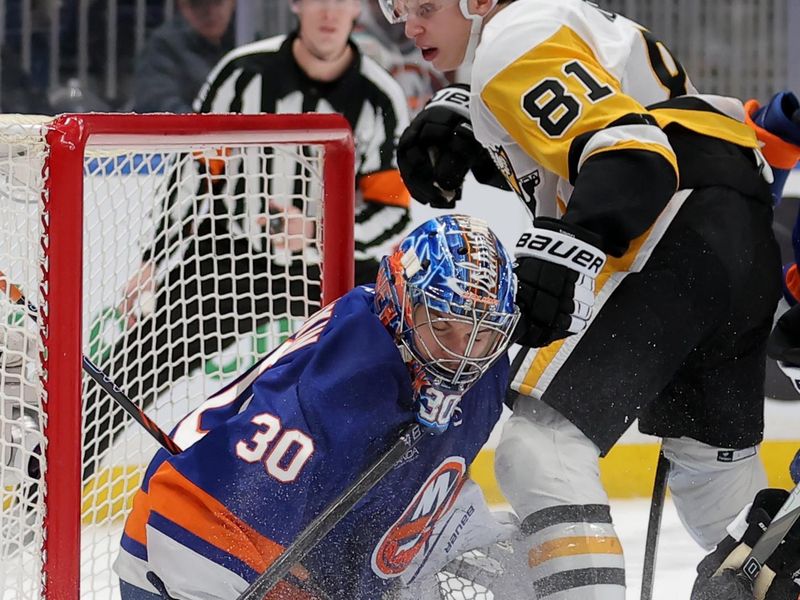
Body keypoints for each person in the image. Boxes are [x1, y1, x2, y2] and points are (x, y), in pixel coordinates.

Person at [378, 0, 784, 597]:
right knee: (712, 483)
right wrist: (472, 117)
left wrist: (571, 244)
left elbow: (633, 153)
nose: (410, 26)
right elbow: (609, 122)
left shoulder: (512, 33)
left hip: (673, 222)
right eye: (398, 11)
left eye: (426, 7)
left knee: (540, 443)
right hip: (736, 240)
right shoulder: (556, 22)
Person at [81, 0, 412, 482]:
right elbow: (195, 172)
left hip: (330, 270)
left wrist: (318, 231)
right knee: (138, 361)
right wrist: (155, 257)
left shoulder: (380, 96)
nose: (328, 13)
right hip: (234, 258)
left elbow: (393, 210)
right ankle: (48, 475)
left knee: (378, 378)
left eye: (342, 0)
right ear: (296, 5)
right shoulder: (241, 73)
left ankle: (378, 499)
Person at [113, 214, 520, 599]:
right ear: (399, 302)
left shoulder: (443, 359)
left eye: (480, 335)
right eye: (442, 326)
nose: (460, 354)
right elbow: (198, 513)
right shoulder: (344, 383)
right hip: (184, 557)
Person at [133, 0, 237, 113]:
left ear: (233, 3)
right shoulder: (163, 47)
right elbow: (157, 103)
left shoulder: (246, 40)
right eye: (197, 4)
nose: (210, 12)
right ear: (182, 5)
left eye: (217, 2)